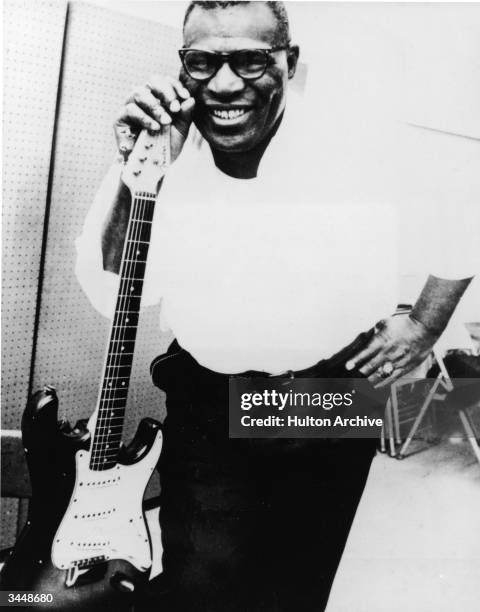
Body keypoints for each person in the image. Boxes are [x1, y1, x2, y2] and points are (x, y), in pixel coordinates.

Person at [76, 2, 475, 610]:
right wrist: (137, 174)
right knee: (203, 579)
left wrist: (423, 324)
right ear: (183, 68)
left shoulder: (355, 143)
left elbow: (463, 214)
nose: (225, 83)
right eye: (202, 62)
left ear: (291, 64)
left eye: (251, 61)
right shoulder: (163, 146)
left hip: (328, 389)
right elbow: (110, 287)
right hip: (210, 395)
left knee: (301, 573)